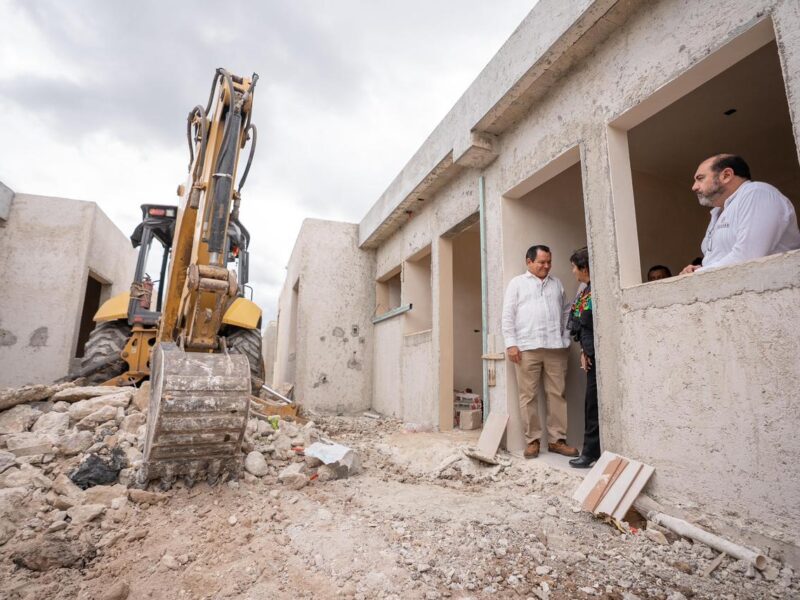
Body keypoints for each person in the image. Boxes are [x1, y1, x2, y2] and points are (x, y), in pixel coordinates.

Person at [502, 245, 578, 459]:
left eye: (549, 262)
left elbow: (566, 311)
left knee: (557, 394)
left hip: (555, 347)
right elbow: (508, 315)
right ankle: (532, 441)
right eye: (541, 262)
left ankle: (557, 440)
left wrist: (565, 337)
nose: (546, 266)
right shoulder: (517, 284)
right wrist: (511, 344)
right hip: (526, 349)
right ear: (529, 261)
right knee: (528, 396)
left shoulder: (557, 284)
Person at [680, 154, 800, 274]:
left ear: (726, 175)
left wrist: (699, 274)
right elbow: (719, 260)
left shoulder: (757, 193)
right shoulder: (718, 211)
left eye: (700, 178)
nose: (694, 187)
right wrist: (699, 269)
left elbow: (748, 256)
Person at [566, 247, 600, 468]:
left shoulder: (596, 290)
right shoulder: (585, 290)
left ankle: (590, 453)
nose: (572, 271)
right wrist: (583, 351)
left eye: (574, 267)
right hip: (590, 353)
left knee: (594, 405)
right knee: (591, 404)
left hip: (600, 356)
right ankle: (591, 451)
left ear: (584, 268)